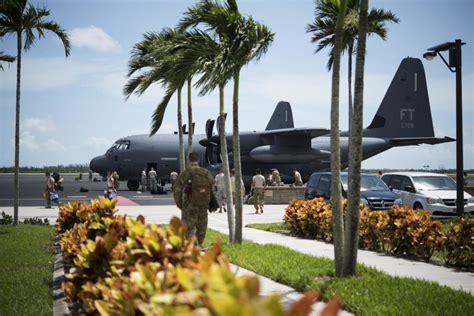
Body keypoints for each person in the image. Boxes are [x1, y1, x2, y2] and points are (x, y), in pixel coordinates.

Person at [173, 152, 215, 247]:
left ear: (189, 161)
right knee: (202, 227)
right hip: (203, 204)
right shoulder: (206, 172)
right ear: (198, 160)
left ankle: (192, 246)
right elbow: (213, 187)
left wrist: (180, 204)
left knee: (189, 227)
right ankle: (199, 244)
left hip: (190, 204)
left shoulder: (187, 172)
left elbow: (177, 188)